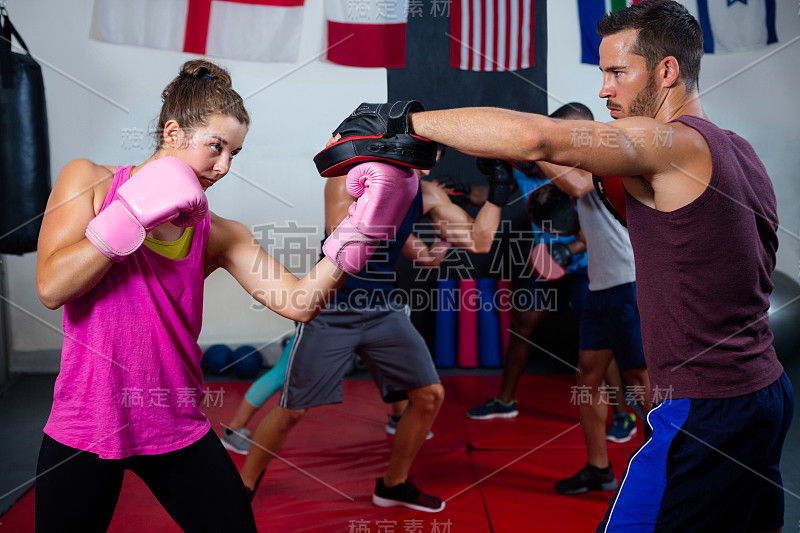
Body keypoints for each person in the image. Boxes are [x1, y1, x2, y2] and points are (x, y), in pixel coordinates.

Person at [340, 1, 794, 530]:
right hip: (765, 391)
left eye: (617, 72)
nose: (605, 89)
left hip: (707, 409)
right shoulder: (739, 150)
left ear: (667, 70)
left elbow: (540, 137)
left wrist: (404, 121)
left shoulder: (669, 141)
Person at [33, 59, 418, 532]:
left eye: (235, 153)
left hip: (173, 421)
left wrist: (362, 232)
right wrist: (131, 214)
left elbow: (298, 301)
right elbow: (52, 287)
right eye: (216, 147)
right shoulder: (90, 182)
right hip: (85, 424)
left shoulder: (219, 233)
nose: (224, 167)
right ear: (172, 132)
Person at [239, 145, 507, 512]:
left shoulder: (427, 193)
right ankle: (243, 486)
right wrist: (390, 192)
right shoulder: (350, 179)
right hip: (332, 309)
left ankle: (394, 484)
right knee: (293, 410)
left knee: (429, 395)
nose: (430, 167)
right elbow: (340, 235)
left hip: (383, 311)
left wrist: (498, 192)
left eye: (436, 159)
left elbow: (479, 240)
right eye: (424, 157)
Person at [535, 102, 652, 495]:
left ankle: (670, 469)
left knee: (639, 379)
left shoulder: (604, 160)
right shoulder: (575, 169)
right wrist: (571, 249)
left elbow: (580, 186)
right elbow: (593, 228)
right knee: (587, 377)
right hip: (600, 287)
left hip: (628, 285)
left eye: (566, 136)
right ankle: (599, 469)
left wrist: (534, 149)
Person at [465, 159, 590, 421]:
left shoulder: (575, 176)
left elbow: (600, 228)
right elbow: (492, 195)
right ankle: (504, 401)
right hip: (547, 264)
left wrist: (569, 250)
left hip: (586, 265)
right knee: (523, 325)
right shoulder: (523, 173)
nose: (527, 167)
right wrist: (459, 191)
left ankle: (623, 414)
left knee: (593, 340)